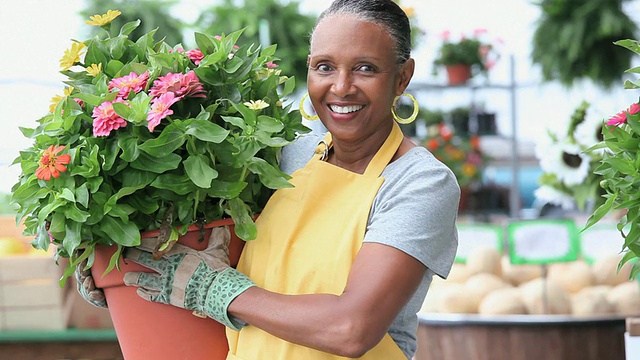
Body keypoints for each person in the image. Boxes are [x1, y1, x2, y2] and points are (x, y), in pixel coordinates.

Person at [77, 0, 460, 358]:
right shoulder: (283, 154)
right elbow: (217, 243)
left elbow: (351, 327)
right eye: (325, 67)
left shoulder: (419, 182)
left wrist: (215, 289)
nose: (341, 87)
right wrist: (124, 267)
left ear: (402, 77)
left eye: (365, 68)